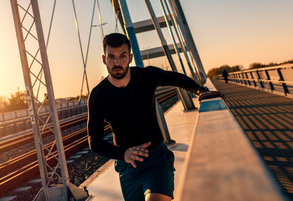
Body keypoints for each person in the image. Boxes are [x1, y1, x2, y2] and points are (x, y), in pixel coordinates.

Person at [88, 33, 218, 201]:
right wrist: (124, 153)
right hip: (127, 166)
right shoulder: (98, 95)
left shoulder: (146, 76)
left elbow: (175, 78)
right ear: (104, 59)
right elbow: (94, 141)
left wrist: (200, 91)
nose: (117, 62)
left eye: (122, 56)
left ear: (130, 58)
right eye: (111, 57)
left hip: (156, 159)